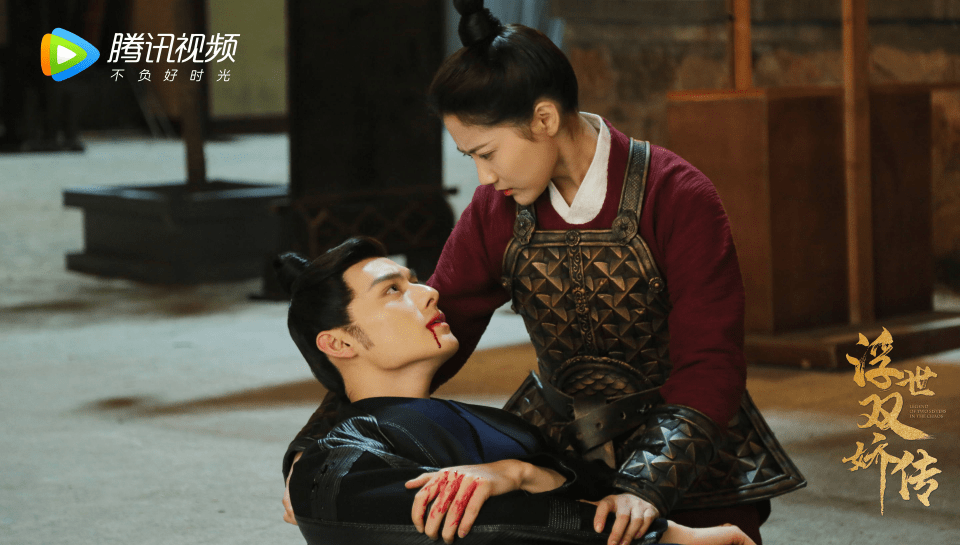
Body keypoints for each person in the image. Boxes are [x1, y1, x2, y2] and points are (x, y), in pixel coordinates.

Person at [283, 2, 805, 543]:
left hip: (687, 447)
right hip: (562, 446)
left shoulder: (677, 195)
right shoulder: (495, 210)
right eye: (470, 157)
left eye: (487, 153)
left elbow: (710, 360)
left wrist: (645, 486)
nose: (483, 177)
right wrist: (319, 448)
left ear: (545, 119)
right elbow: (432, 328)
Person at [277, 237, 757, 545]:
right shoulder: (332, 462)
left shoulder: (505, 427)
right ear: (338, 343)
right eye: (392, 290)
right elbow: (487, 523)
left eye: (414, 282)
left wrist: (518, 473)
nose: (429, 292)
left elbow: (592, 486)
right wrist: (671, 538)